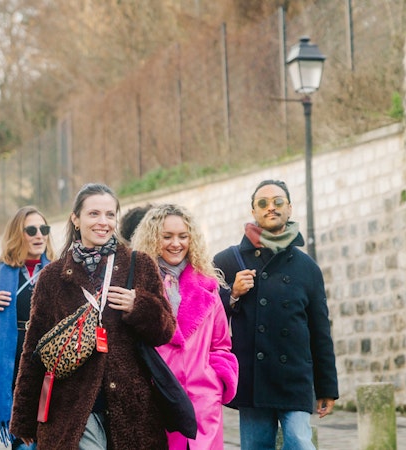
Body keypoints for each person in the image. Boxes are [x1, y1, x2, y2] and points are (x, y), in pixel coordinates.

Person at [10, 183, 176, 449]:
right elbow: (34, 351)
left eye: (110, 215)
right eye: (94, 214)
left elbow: (165, 331)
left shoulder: (139, 264)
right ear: (76, 219)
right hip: (70, 409)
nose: (103, 222)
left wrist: (139, 305)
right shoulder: (53, 277)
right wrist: (24, 418)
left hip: (131, 409)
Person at [212, 179, 338, 450]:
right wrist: (232, 294)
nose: (271, 208)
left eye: (278, 202)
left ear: (289, 208)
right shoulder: (227, 261)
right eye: (263, 203)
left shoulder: (308, 268)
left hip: (294, 377)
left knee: (300, 443)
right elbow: (205, 314)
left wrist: (326, 386)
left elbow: (320, 331)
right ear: (253, 211)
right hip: (252, 377)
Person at [132, 203, 239, 449]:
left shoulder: (208, 287)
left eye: (183, 236)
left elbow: (221, 344)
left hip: (203, 402)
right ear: (152, 238)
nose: (175, 243)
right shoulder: (138, 286)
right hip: (157, 401)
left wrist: (218, 382)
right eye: (166, 236)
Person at [0, 206, 55, 449]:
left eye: (44, 229)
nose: (40, 235)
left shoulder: (58, 271)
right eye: (31, 230)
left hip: (51, 364)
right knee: (24, 443)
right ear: (18, 234)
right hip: (13, 366)